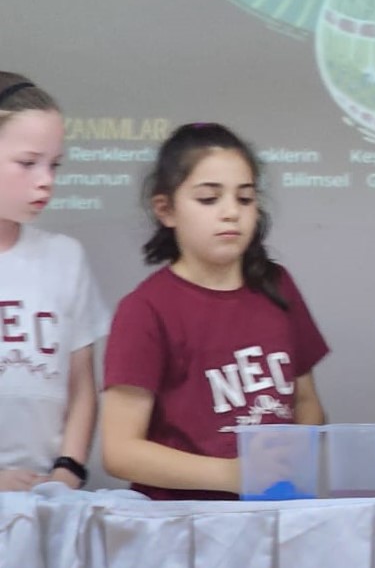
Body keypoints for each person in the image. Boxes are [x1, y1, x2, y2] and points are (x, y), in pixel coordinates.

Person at [101, 124, 329, 499]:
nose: (231, 213)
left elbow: (306, 403)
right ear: (166, 210)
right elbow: (121, 450)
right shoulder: (144, 310)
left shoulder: (277, 284)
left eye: (245, 198)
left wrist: (290, 464)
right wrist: (235, 475)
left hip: (276, 511)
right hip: (185, 521)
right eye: (209, 199)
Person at [0, 73, 109, 492]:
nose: (46, 179)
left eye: (54, 165)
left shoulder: (65, 257)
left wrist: (67, 471)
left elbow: (81, 386)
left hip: (46, 496)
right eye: (28, 163)